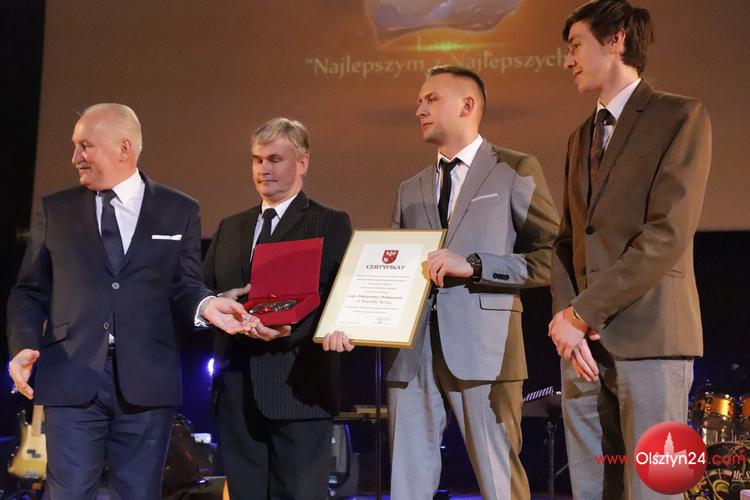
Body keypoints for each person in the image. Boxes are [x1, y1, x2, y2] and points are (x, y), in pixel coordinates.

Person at [326, 65, 559, 499]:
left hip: (485, 349)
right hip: (411, 354)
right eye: (419, 101)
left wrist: (475, 265)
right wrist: (354, 322)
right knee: (407, 484)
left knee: (499, 477)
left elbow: (550, 258)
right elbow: (390, 273)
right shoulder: (409, 188)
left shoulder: (513, 169)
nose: (419, 109)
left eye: (431, 99)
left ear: (467, 105)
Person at [6, 103, 256, 499]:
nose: (75, 157)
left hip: (147, 382)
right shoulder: (56, 209)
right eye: (74, 146)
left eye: (85, 146)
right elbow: (29, 290)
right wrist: (23, 344)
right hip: (71, 376)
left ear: (123, 148)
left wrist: (206, 306)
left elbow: (185, 285)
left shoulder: (178, 209)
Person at [548, 1, 712, 498]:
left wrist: (582, 314)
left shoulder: (678, 116)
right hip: (582, 350)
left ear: (616, 39)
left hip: (651, 339)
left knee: (652, 490)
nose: (568, 60)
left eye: (576, 46)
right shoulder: (580, 137)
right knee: (591, 488)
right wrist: (567, 322)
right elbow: (567, 240)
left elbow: (666, 234)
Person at [203, 117, 352, 499]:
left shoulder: (330, 222)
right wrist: (218, 303)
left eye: (274, 159)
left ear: (302, 163)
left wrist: (288, 331)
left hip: (299, 388)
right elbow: (203, 291)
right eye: (257, 160)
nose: (263, 169)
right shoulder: (230, 227)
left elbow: (336, 298)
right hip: (236, 392)